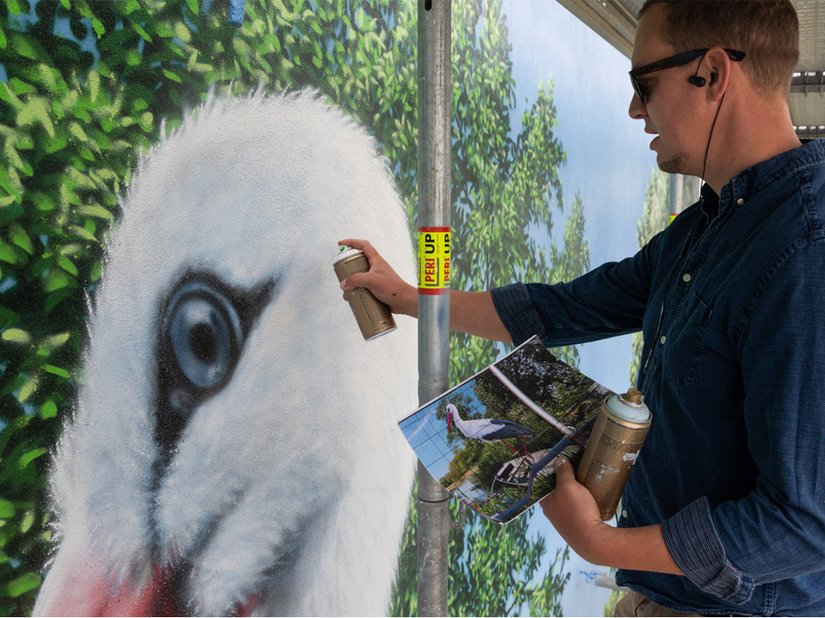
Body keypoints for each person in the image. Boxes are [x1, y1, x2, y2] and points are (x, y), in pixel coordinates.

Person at [340, 0, 825, 615]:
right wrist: (413, 301)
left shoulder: (806, 250)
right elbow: (561, 310)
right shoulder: (706, 229)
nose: (634, 109)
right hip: (659, 595)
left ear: (711, 73)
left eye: (643, 84)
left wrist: (601, 542)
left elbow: (805, 525)